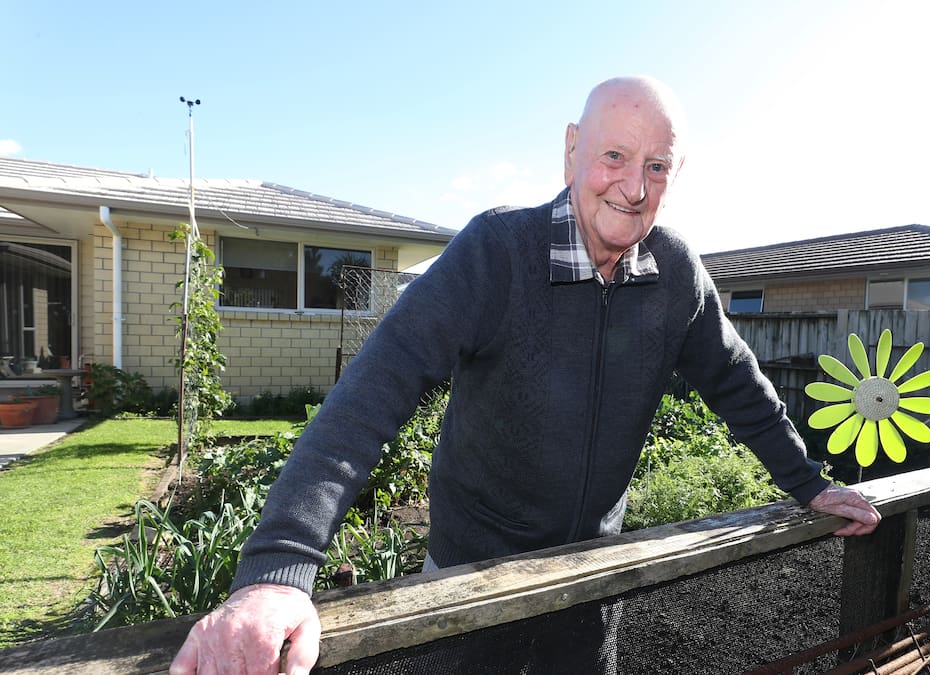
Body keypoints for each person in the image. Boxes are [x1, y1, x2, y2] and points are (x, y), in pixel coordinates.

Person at [170, 75, 881, 675]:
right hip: (468, 588)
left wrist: (810, 484)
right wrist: (277, 568)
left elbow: (737, 383)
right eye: (614, 155)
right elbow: (373, 390)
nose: (634, 187)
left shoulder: (675, 276)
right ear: (572, 149)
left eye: (658, 166)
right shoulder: (497, 253)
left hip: (588, 586)